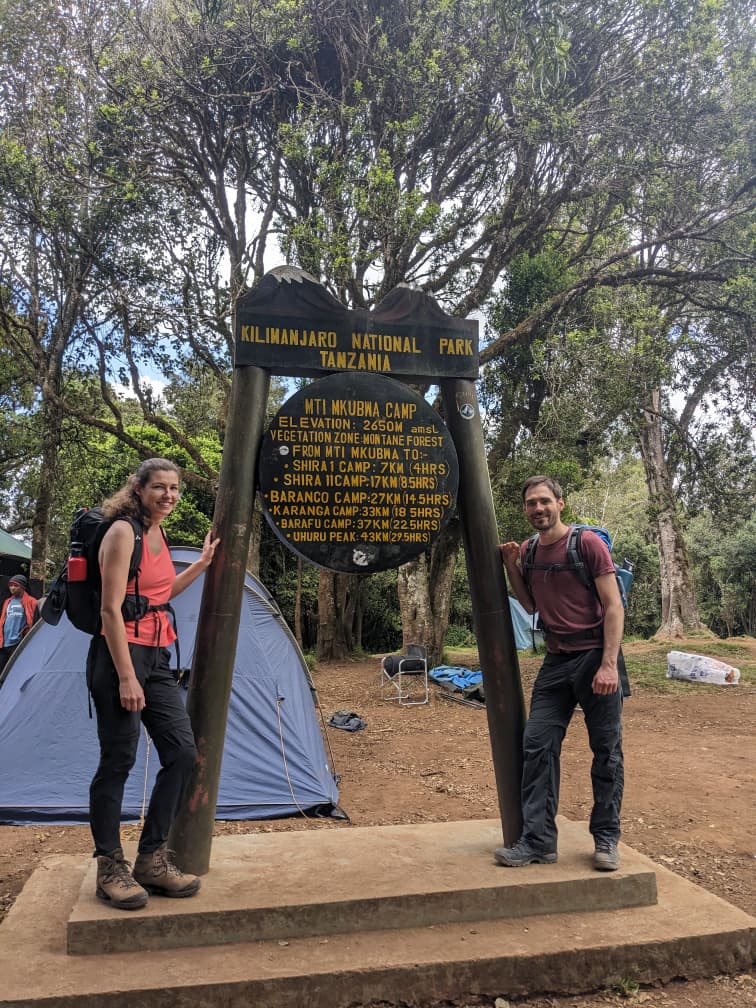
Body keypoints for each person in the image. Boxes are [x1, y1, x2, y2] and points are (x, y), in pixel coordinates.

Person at [88, 458, 219, 910]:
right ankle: (109, 866)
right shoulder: (123, 532)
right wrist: (127, 676)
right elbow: (110, 611)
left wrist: (201, 564)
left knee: (182, 754)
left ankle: (151, 859)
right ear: (139, 489)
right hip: (119, 657)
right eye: (159, 487)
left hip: (158, 659)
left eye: (175, 488)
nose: (169, 495)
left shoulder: (157, 534)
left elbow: (157, 596)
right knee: (118, 761)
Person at [497, 475, 626, 872]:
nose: (538, 509)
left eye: (544, 501)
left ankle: (606, 840)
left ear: (560, 503)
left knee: (606, 752)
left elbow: (614, 605)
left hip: (594, 657)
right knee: (536, 746)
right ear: (525, 509)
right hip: (556, 661)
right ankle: (538, 842)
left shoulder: (586, 544)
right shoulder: (532, 551)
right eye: (531, 503)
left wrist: (608, 664)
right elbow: (531, 605)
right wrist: (511, 567)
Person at [0, 574, 38, 671]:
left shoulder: (31, 602)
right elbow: (3, 620)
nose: (12, 588)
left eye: (15, 585)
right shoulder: (7, 601)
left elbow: (34, 622)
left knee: (14, 670)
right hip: (4, 642)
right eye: (10, 585)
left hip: (17, 643)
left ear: (23, 587)